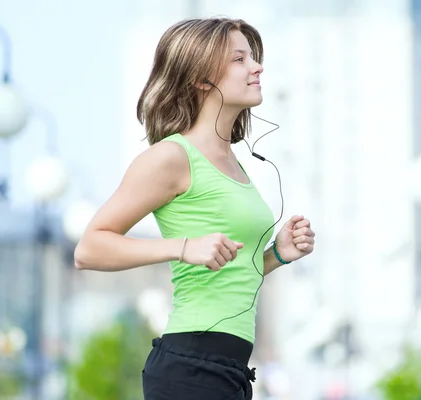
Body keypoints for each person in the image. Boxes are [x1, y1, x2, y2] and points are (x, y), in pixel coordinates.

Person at [73, 17, 316, 400]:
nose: (257, 67)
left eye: (253, 58)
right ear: (203, 79)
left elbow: (226, 272)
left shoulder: (234, 163)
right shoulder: (171, 157)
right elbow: (89, 248)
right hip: (191, 365)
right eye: (240, 59)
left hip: (232, 370)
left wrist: (276, 255)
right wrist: (183, 246)